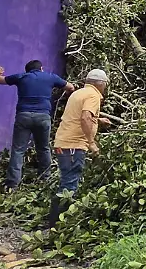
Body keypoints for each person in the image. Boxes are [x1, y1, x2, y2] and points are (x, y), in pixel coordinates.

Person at [0, 61, 74, 190]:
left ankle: (12, 184)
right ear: (41, 69)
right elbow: (70, 87)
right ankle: (45, 180)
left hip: (23, 116)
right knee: (44, 148)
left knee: (18, 150)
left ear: (27, 70)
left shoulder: (21, 77)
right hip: (43, 117)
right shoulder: (50, 77)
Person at [47, 68, 110, 227]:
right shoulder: (93, 95)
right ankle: (57, 226)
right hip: (73, 146)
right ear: (101, 84)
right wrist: (91, 142)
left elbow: (80, 115)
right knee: (69, 184)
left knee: (67, 181)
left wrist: (98, 119)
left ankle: (55, 222)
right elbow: (84, 117)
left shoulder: (78, 93)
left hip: (63, 143)